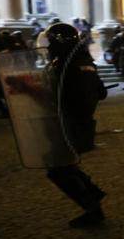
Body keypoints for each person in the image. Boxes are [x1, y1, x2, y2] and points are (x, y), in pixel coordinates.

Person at [24, 23, 108, 227]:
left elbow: (55, 97)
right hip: (81, 122)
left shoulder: (64, 64)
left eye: (50, 42)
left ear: (58, 43)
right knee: (64, 164)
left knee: (58, 168)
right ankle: (93, 195)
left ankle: (93, 208)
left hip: (68, 123)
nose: (48, 47)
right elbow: (102, 92)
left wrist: (28, 89)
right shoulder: (82, 59)